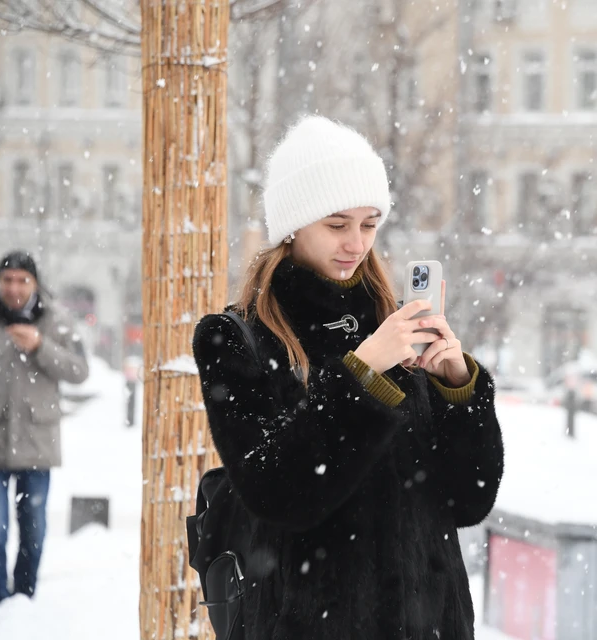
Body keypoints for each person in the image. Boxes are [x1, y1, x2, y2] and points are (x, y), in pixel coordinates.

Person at [191, 115, 504, 639]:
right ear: (293, 225)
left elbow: (469, 499)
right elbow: (275, 493)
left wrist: (458, 390)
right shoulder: (234, 338)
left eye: (369, 223)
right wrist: (361, 375)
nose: (356, 243)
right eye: (337, 225)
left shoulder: (398, 324)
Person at [0, 251, 89, 610]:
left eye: (22, 280)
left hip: (38, 443)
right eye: (8, 280)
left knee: (33, 529)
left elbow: (80, 371)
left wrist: (40, 346)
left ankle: (24, 601)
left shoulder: (58, 322)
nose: (14, 287)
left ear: (35, 283)